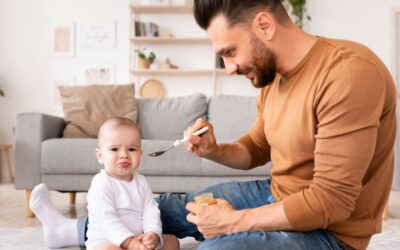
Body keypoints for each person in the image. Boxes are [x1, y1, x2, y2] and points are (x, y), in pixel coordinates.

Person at [30, 0, 396, 249]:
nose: (229, 68)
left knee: (219, 246)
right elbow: (257, 147)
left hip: (331, 233)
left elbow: (331, 201)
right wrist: (215, 150)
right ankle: (68, 231)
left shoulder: (348, 73)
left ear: (264, 25)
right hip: (278, 194)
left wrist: (236, 222)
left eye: (230, 52)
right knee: (168, 209)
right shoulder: (274, 80)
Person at [30, 117, 179, 250]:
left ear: (140, 154)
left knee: (172, 242)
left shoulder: (141, 181)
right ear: (100, 156)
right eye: (114, 149)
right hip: (108, 241)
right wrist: (129, 242)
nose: (124, 155)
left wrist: (151, 234)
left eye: (132, 149)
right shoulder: (101, 183)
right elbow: (106, 219)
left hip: (138, 240)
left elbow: (150, 210)